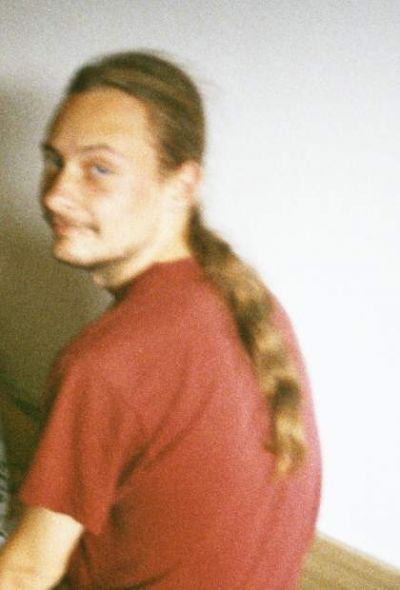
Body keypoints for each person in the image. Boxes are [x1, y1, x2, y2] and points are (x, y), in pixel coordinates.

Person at [0, 51, 321, 589]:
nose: (55, 195)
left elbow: (26, 573)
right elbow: (120, 452)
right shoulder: (248, 301)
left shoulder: (106, 361)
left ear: (181, 186)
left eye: (99, 169)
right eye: (54, 160)